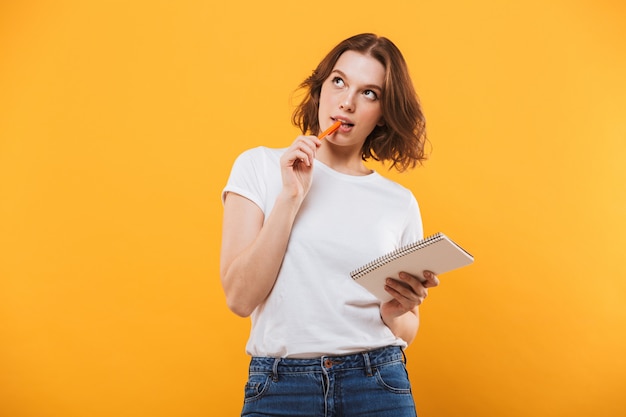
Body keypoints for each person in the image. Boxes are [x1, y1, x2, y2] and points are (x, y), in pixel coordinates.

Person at [220, 33, 439, 417]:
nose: (347, 102)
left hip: (378, 384)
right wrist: (290, 196)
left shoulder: (399, 202)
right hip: (280, 388)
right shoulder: (259, 167)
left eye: (369, 93)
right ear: (321, 89)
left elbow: (405, 330)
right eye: (339, 81)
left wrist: (396, 309)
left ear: (384, 112)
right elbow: (239, 298)